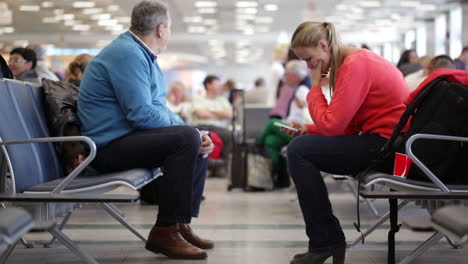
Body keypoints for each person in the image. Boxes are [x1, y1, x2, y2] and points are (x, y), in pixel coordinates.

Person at [78, 1, 214, 260]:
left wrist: (196, 132)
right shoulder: (128, 54)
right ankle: (165, 231)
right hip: (107, 148)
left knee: (196, 135)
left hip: (126, 139)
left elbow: (156, 108)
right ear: (161, 30)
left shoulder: (140, 55)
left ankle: (179, 224)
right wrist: (189, 133)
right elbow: (141, 114)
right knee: (187, 138)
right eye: (170, 29)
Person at [284, 21, 410, 264]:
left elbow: (333, 126)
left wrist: (315, 89)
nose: (309, 66)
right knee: (301, 147)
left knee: (299, 151)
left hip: (389, 148)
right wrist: (308, 129)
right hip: (385, 143)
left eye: (309, 59)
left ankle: (324, 241)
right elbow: (347, 124)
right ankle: (326, 240)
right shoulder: (353, 63)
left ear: (323, 45)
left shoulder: (356, 64)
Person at [257, 60, 311, 167]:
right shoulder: (295, 90)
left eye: (286, 74)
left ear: (295, 76)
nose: (284, 78)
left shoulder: (302, 91)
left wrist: (304, 107)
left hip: (300, 130)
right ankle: (277, 173)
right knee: (270, 141)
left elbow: (306, 117)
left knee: (272, 122)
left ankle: (257, 145)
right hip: (293, 127)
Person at [191, 75, 233, 167]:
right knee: (204, 136)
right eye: (217, 84)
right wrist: (220, 114)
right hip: (201, 125)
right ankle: (210, 164)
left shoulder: (222, 100)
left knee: (232, 136)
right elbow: (200, 114)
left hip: (218, 127)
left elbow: (229, 114)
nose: (220, 86)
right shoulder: (198, 98)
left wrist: (208, 112)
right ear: (208, 85)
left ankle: (221, 164)